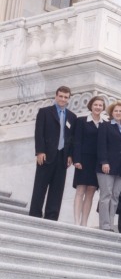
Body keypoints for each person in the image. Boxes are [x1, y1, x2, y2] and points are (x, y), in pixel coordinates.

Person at [29, 85, 77, 220]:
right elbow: (39, 133)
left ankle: (51, 217)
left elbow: (72, 139)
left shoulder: (72, 117)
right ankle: (34, 215)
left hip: (62, 158)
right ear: (56, 96)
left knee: (57, 190)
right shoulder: (45, 112)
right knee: (40, 187)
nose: (63, 99)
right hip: (46, 155)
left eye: (65, 97)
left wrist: (70, 155)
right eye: (60, 96)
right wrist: (40, 151)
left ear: (69, 99)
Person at [96, 101, 121, 232]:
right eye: (116, 111)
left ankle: (111, 224)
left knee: (115, 196)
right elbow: (101, 145)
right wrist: (104, 162)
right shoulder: (105, 126)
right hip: (107, 166)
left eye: (120, 111)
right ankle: (104, 225)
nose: (118, 113)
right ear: (111, 113)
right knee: (106, 195)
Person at [71, 95, 105, 226]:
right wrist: (76, 159)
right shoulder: (81, 121)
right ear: (91, 106)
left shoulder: (104, 124)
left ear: (103, 108)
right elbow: (77, 141)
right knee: (80, 190)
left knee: (90, 191)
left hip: (96, 162)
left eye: (100, 105)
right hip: (83, 160)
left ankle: (84, 223)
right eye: (95, 105)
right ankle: (76, 221)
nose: (97, 107)